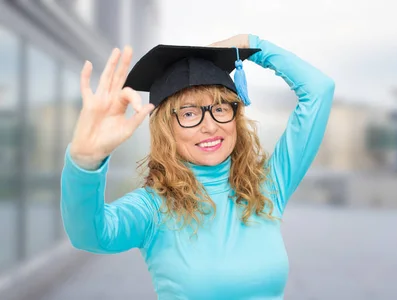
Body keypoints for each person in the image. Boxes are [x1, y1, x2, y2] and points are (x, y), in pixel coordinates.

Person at [60, 33, 335, 299]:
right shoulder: (153, 208)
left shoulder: (268, 186)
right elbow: (90, 235)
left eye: (220, 108)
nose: (210, 126)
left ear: (235, 116)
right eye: (189, 113)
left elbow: (319, 90)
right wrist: (85, 162)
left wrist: (254, 46)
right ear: (166, 128)